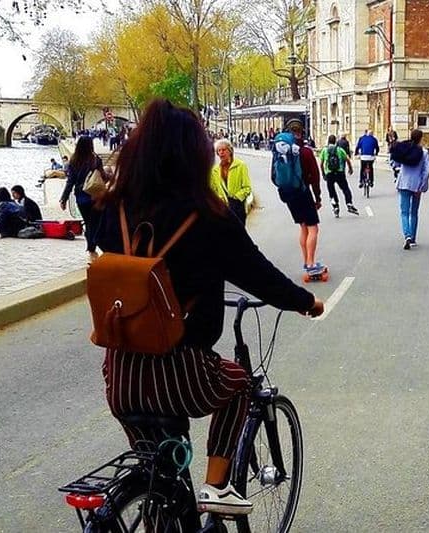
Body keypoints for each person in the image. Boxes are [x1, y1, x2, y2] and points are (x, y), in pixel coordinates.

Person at [95, 98, 324, 516]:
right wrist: (306, 302)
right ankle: (216, 487)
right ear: (194, 156)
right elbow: (258, 275)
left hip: (121, 372)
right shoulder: (207, 216)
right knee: (238, 384)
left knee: (159, 476)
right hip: (179, 368)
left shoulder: (115, 208)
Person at [272, 118, 325, 275]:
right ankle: (310, 264)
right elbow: (315, 177)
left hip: (288, 194)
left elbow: (274, 176)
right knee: (313, 228)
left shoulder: (281, 151)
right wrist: (318, 197)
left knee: (303, 227)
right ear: (302, 132)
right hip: (303, 192)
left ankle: (306, 261)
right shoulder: (306, 152)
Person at [60, 135, 105, 262]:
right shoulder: (95, 160)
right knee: (96, 223)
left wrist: (64, 199)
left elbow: (70, 182)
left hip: (81, 197)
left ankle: (91, 250)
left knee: (88, 223)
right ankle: (95, 247)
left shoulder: (73, 162)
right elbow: (102, 176)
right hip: (95, 195)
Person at [391, 129, 429, 250]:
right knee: (414, 212)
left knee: (404, 212)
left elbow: (394, 161)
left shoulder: (405, 149)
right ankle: (413, 237)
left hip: (403, 183)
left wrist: (396, 168)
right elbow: (426, 171)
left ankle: (407, 234)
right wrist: (422, 186)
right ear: (421, 138)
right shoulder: (423, 152)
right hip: (416, 185)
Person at [210, 138, 252, 225]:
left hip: (238, 206)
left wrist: (236, 198)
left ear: (230, 151)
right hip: (223, 207)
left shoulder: (240, 166)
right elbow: (213, 189)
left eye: (223, 150)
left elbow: (247, 187)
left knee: (239, 234)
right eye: (219, 150)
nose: (221, 152)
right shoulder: (215, 170)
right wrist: (219, 198)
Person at [320, 134, 358, 217]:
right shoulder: (340, 150)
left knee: (331, 191)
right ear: (335, 141)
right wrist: (350, 168)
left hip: (329, 173)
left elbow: (321, 164)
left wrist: (323, 173)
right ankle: (349, 203)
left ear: (328, 141)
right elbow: (347, 159)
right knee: (345, 189)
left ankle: (335, 206)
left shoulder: (324, 150)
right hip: (340, 173)